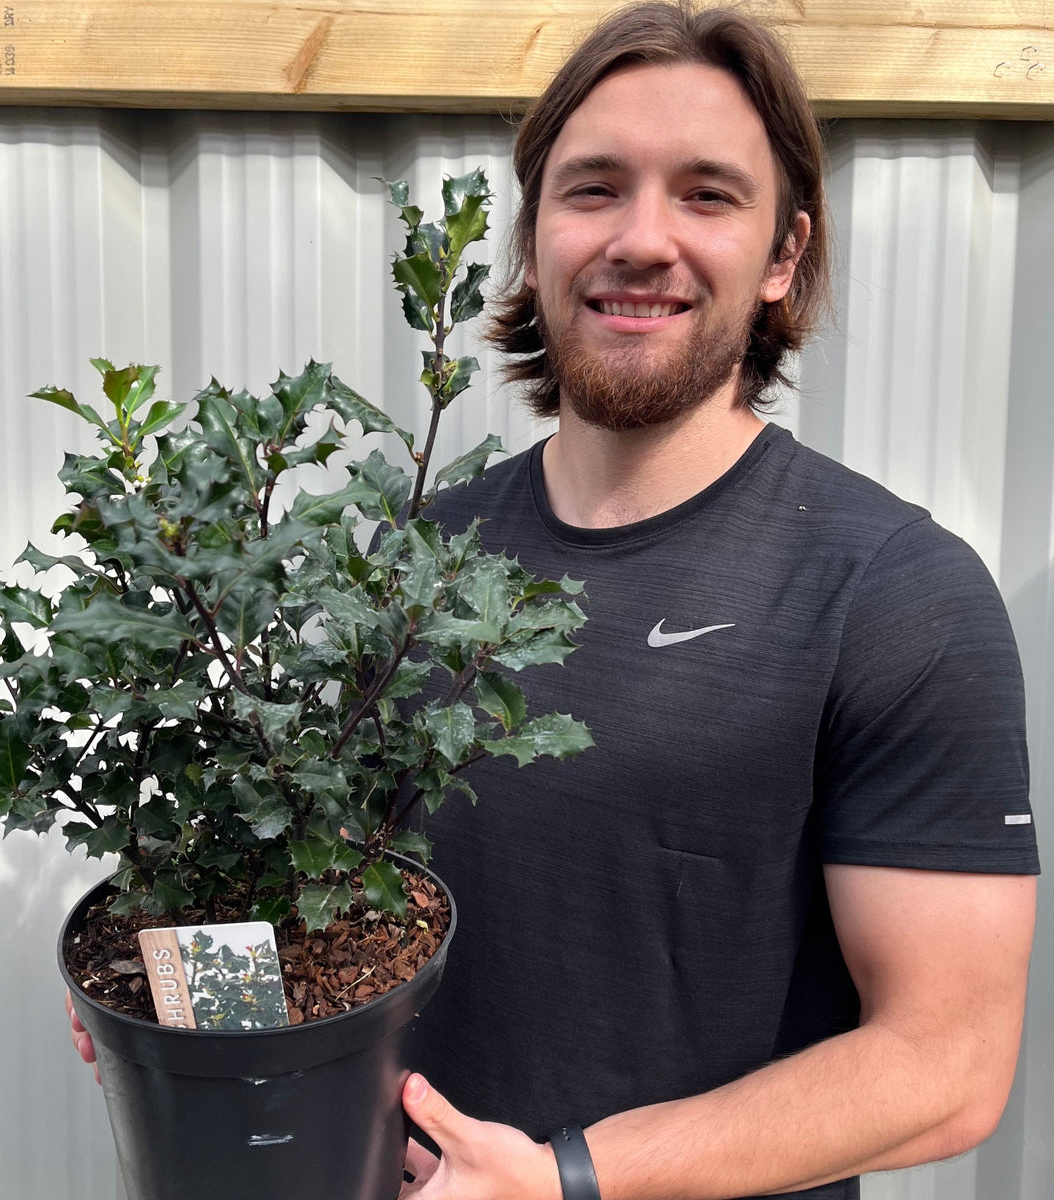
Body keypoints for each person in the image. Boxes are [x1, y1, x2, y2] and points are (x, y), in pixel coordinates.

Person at [72, 5, 1040, 1198]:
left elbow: (947, 1066)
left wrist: (565, 1180)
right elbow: (326, 898)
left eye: (705, 194)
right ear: (535, 239)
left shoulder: (893, 594)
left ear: (784, 255)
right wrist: (174, 1006)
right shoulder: (416, 563)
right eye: (594, 190)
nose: (643, 239)